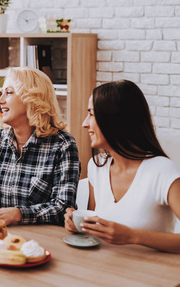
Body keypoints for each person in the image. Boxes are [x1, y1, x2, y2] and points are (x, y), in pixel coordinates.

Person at [0, 67, 81, 225]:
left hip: (45, 240)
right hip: (3, 237)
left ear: (32, 98)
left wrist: (18, 214)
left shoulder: (63, 145)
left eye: (9, 92)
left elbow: (63, 208)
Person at [64, 80, 180, 253]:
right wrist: (80, 226)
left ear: (114, 118)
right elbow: (96, 229)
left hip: (152, 276)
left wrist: (132, 236)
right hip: (106, 270)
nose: (85, 123)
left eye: (92, 114)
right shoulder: (97, 167)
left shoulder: (162, 171)